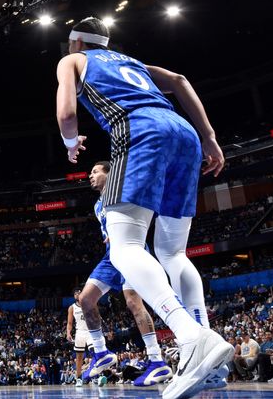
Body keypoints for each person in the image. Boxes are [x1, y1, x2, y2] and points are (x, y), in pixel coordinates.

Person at [55, 17, 232, 399]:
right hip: (183, 132)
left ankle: (189, 335)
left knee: (124, 247)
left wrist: (70, 143)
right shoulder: (131, 61)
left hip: (140, 132)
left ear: (76, 43)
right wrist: (210, 137)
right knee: (172, 251)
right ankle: (206, 347)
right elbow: (181, 81)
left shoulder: (72, 61)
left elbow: (67, 114)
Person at [78, 161, 173, 387]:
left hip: (132, 248)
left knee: (133, 303)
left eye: (95, 171)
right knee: (85, 299)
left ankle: (156, 360)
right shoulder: (97, 205)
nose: (90, 176)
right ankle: (101, 353)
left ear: (109, 174)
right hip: (112, 255)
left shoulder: (122, 189)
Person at [66, 288, 90, 386]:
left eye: (79, 293)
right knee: (79, 356)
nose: (77, 294)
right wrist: (68, 333)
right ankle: (79, 378)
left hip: (90, 331)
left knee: (95, 353)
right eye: (75, 293)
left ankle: (98, 375)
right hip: (80, 332)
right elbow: (69, 323)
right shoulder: (72, 307)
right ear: (74, 296)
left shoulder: (89, 304)